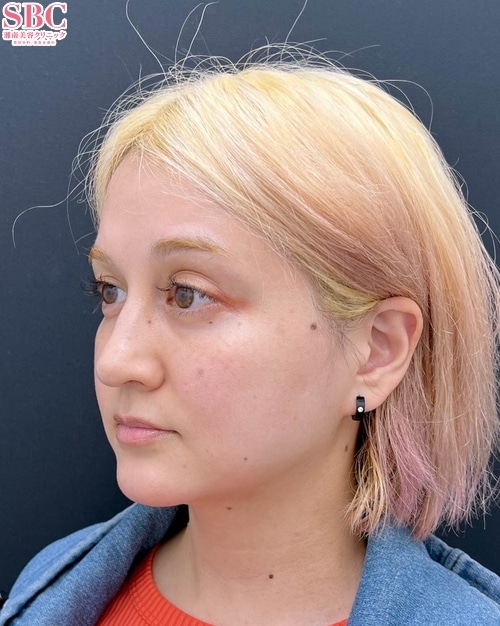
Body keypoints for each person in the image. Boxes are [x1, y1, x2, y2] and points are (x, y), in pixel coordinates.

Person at [2, 51, 500, 625]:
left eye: (188, 294)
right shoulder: (46, 592)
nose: (116, 361)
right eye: (109, 291)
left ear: (377, 351)